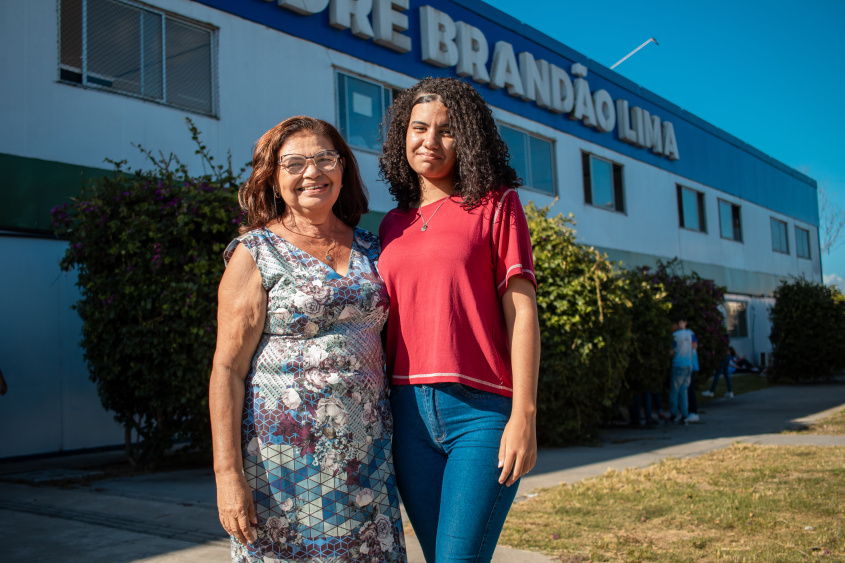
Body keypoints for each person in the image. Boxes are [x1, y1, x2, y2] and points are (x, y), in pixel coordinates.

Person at [209, 116, 406, 563]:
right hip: (280, 472)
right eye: (294, 163)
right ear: (274, 179)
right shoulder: (255, 252)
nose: (312, 172)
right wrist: (227, 475)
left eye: (324, 159)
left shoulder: (374, 249)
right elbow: (227, 368)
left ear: (343, 169)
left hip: (367, 462)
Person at [377, 77, 541, 562]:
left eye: (447, 130)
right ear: (401, 136)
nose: (430, 141)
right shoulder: (390, 224)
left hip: (482, 414)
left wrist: (524, 417)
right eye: (418, 127)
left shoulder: (497, 205)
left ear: (467, 138)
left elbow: (523, 313)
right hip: (406, 416)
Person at [669, 316, 697, 424]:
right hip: (688, 364)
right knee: (684, 391)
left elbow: (672, 351)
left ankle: (673, 413)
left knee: (674, 390)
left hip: (678, 364)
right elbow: (694, 345)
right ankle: (685, 414)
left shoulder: (675, 336)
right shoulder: (690, 333)